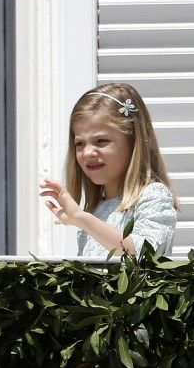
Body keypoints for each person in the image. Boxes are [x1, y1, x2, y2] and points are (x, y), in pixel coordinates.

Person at [39, 83, 179, 257]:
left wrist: (82, 219)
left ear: (133, 141)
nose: (88, 152)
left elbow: (146, 256)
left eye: (101, 141)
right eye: (80, 143)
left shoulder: (153, 196)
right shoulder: (96, 209)